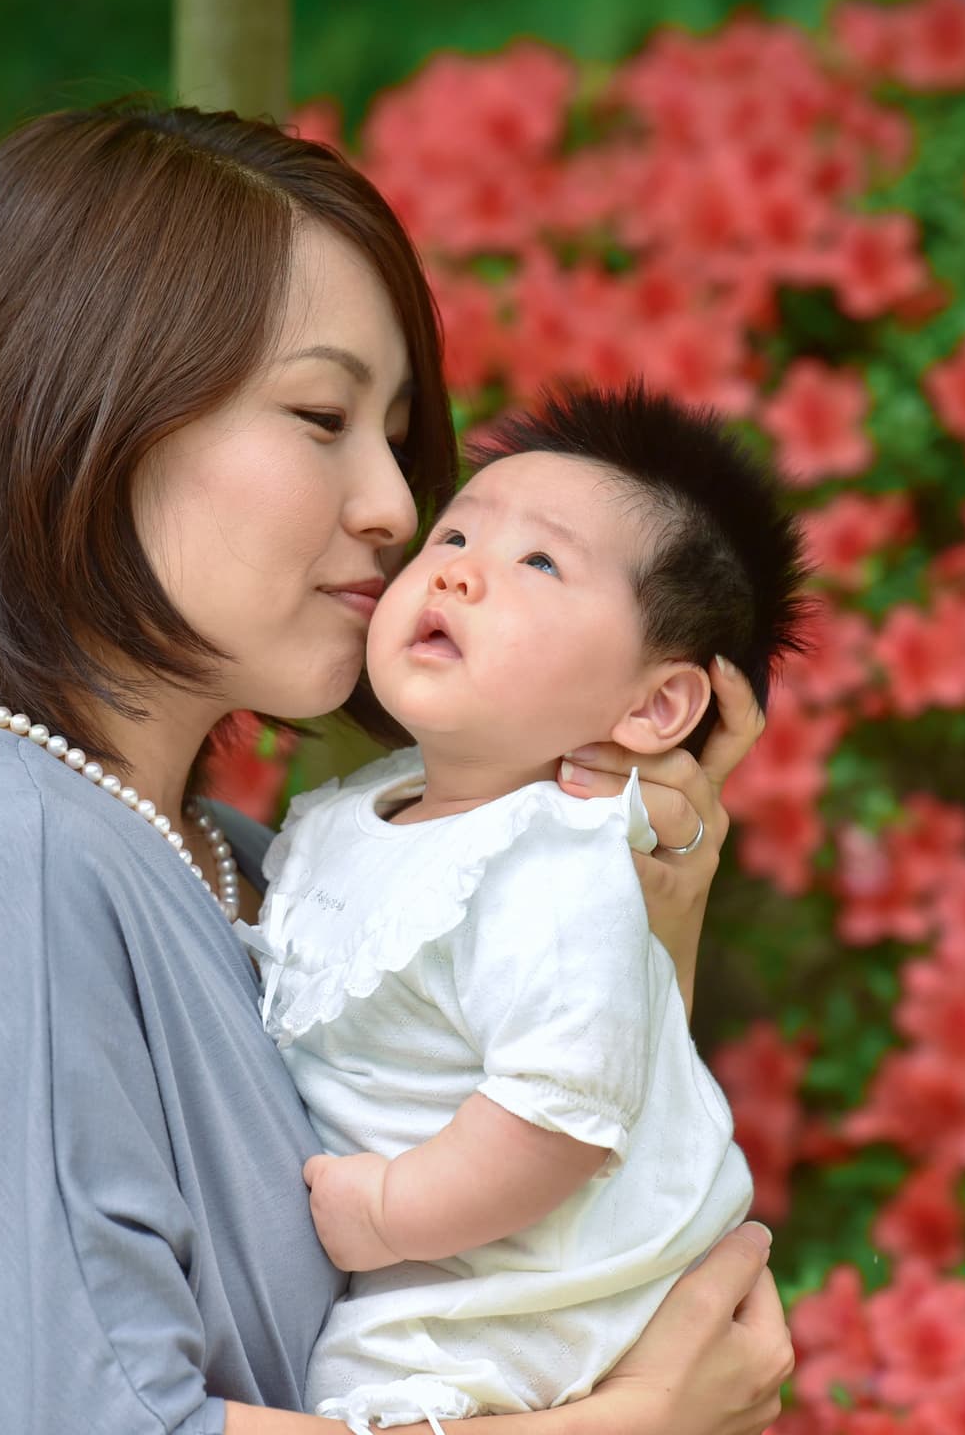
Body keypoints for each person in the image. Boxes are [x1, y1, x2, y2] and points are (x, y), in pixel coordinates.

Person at [0, 103, 793, 1435]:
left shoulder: (261, 867)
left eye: (392, 434)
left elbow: (545, 1248)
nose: (395, 507)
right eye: (321, 415)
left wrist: (648, 879)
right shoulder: (1, 860)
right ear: (93, 413)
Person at [242, 386, 807, 1433]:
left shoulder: (552, 865)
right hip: (453, 1270)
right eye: (456, 534)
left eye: (539, 564)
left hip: (538, 1293)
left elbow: (560, 1111)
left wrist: (390, 1210)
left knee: (375, 1396)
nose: (456, 566)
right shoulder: (353, 814)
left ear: (654, 707)